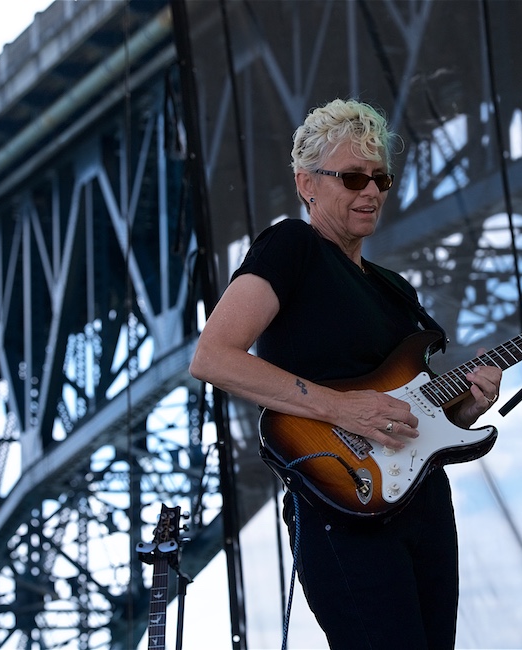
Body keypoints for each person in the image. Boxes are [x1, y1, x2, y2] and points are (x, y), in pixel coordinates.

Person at [188, 98, 502, 648]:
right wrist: (338, 406)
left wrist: (467, 405)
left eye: (380, 178)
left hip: (423, 501)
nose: (372, 192)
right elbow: (212, 356)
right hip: (342, 500)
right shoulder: (291, 247)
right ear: (306, 183)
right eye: (354, 177)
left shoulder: (395, 288)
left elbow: (407, 401)